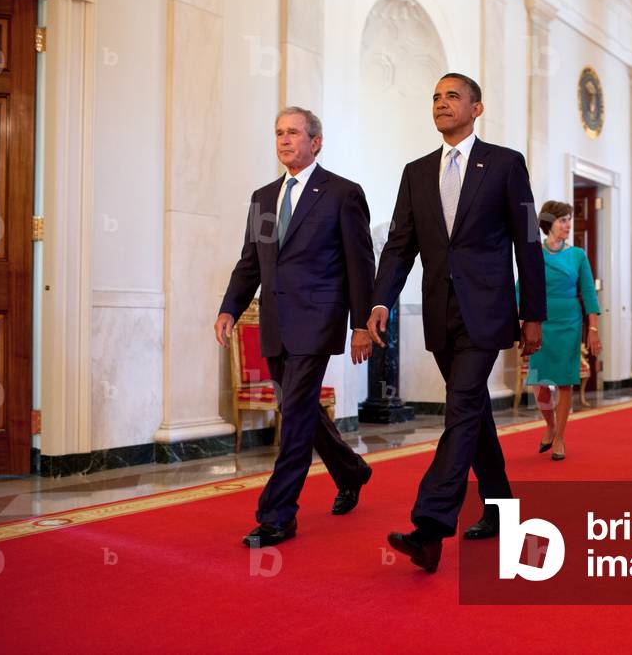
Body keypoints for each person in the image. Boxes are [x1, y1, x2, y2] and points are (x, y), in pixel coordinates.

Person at [367, 73, 546, 572]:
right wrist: (381, 301)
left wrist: (533, 312)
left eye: (452, 96)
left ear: (477, 108)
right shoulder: (416, 172)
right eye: (436, 98)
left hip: (487, 311)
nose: (442, 104)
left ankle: (430, 527)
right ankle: (501, 508)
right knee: (474, 414)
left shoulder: (506, 165)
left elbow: (528, 241)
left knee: (461, 407)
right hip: (440, 312)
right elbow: (400, 245)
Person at [215, 107, 376, 547]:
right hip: (274, 322)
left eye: (294, 133)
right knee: (298, 408)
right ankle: (351, 469)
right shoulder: (263, 198)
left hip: (317, 320)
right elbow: (252, 261)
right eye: (279, 133)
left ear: (315, 141)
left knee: (296, 415)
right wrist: (230, 307)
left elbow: (361, 265)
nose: (285, 140)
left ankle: (278, 514)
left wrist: (361, 324)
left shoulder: (343, 194)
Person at [521, 201, 601, 461]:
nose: (568, 225)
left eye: (569, 219)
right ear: (549, 223)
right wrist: (517, 323)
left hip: (568, 322)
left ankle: (560, 437)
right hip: (540, 322)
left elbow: (588, 293)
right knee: (539, 382)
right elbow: (521, 288)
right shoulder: (534, 253)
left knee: (565, 382)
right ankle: (550, 425)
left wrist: (593, 328)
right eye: (562, 220)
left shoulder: (577, 255)